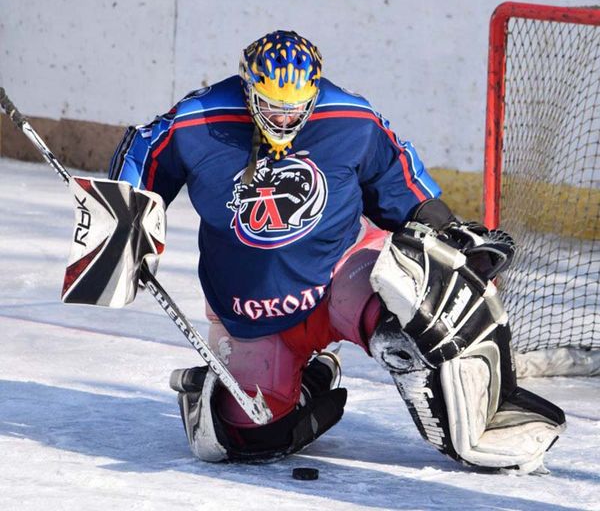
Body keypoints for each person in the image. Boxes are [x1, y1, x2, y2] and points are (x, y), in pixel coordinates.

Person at [109, 30, 565, 472]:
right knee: (247, 436)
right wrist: (121, 224)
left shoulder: (350, 117)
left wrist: (449, 232)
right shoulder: (198, 119)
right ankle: (314, 378)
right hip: (251, 311)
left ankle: (483, 419)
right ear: (248, 91)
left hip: (344, 279)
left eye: (295, 108)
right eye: (271, 106)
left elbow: (397, 183)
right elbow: (142, 153)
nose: (283, 119)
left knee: (412, 320)